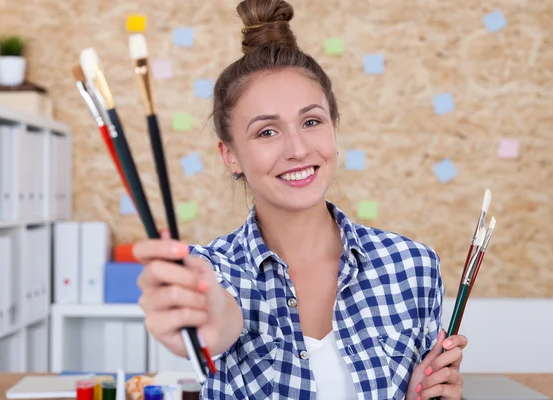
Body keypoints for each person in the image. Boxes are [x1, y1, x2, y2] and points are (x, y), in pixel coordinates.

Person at [133, 0, 468, 398]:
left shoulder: (413, 266)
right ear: (231, 155)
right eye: (266, 132)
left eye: (311, 122)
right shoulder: (214, 272)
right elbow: (220, 319)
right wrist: (203, 315)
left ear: (334, 130)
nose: (297, 149)